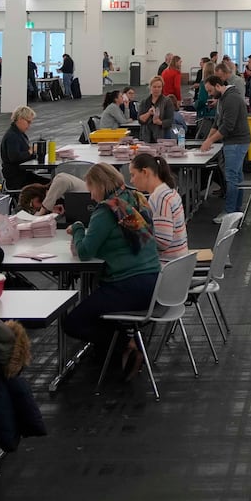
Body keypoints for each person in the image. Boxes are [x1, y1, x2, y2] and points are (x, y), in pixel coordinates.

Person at [61, 162, 162, 378]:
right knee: (98, 308)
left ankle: (125, 344)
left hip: (127, 286)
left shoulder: (106, 210)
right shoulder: (135, 199)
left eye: (91, 190)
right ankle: (116, 348)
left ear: (99, 186)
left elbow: (86, 251)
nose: (90, 197)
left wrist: (78, 229)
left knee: (72, 322)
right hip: (155, 283)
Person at [199, 73, 250, 225]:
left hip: (236, 142)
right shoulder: (222, 99)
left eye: (210, 91)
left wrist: (210, 141)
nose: (209, 94)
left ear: (218, 86)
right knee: (237, 177)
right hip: (233, 142)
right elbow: (217, 122)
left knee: (232, 178)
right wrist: (208, 139)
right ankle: (236, 210)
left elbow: (228, 126)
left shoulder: (231, 99)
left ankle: (229, 212)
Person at [129, 152, 187, 261]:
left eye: (133, 175)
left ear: (145, 172)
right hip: (179, 263)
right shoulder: (169, 191)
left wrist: (136, 228)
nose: (131, 180)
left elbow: (162, 243)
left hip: (166, 265)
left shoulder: (160, 198)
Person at [136, 76, 177, 143]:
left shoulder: (167, 101)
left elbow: (170, 120)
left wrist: (159, 122)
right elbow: (140, 119)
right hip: (146, 136)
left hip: (162, 136)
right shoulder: (144, 102)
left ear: (162, 87)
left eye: (159, 87)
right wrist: (148, 113)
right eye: (154, 87)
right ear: (150, 87)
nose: (156, 89)